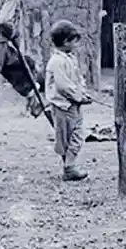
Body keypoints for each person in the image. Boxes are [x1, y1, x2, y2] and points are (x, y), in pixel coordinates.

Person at [44, 19, 94, 182]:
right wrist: (78, 97)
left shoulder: (70, 58)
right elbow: (63, 85)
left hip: (74, 104)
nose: (76, 45)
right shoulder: (57, 61)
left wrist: (83, 93)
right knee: (66, 138)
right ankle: (69, 168)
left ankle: (69, 166)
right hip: (63, 105)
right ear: (65, 41)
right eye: (74, 41)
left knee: (78, 134)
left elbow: (78, 79)